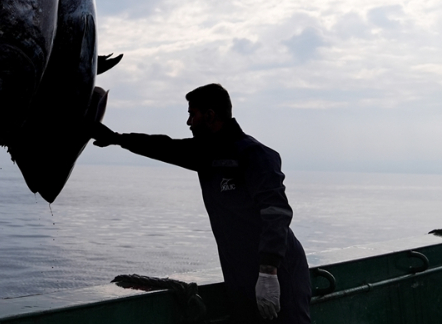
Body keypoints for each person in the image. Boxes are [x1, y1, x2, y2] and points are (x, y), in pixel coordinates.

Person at [91, 83, 311, 323]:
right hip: (240, 274)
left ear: (210, 115)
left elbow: (276, 212)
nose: (188, 122)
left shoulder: (255, 155)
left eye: (192, 114)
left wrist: (269, 272)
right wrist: (116, 138)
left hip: (279, 273)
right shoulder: (204, 153)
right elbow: (163, 146)